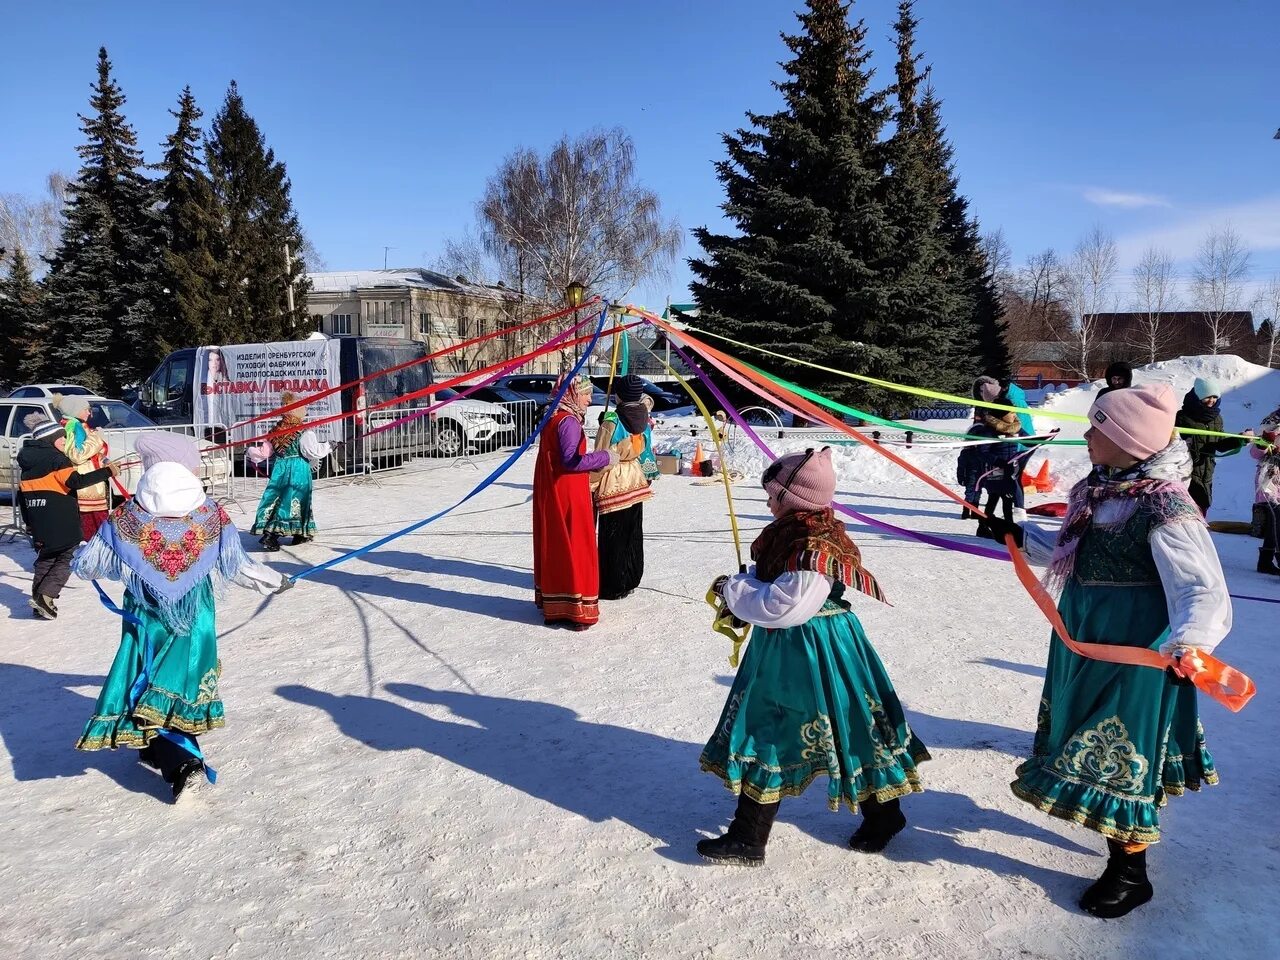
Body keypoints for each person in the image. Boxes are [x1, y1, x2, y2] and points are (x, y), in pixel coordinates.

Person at [986, 385, 1232, 918]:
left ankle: (1130, 872)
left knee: (1124, 749)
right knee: (1085, 740)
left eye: (1097, 427)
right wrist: (1019, 535)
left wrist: (1190, 644)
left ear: (1127, 441)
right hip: (1084, 639)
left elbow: (1202, 587)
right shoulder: (1097, 490)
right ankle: (1120, 854)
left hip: (1136, 648)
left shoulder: (1165, 503)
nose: (1088, 434)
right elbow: (1079, 553)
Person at [697, 448, 928, 867]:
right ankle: (881, 815)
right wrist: (748, 580)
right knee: (812, 727)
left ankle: (752, 837)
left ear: (792, 497)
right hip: (796, 646)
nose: (768, 502)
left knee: (790, 727)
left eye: (773, 494)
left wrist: (735, 590)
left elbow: (788, 605)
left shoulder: (812, 541)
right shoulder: (794, 532)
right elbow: (776, 585)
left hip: (811, 646)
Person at [73, 432, 286, 800]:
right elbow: (238, 566)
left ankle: (154, 745)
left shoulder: (126, 516)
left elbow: (91, 565)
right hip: (194, 613)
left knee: (146, 672)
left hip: (145, 611)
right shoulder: (210, 514)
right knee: (179, 679)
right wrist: (275, 582)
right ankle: (184, 763)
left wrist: (96, 561)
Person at [532, 373, 617, 630]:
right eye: (586, 394)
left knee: (558, 543)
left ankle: (558, 604)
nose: (590, 400)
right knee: (575, 543)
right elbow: (572, 461)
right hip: (568, 491)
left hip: (554, 489)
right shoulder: (568, 421)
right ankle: (576, 608)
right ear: (571, 394)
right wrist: (604, 457)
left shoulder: (554, 416)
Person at [17, 415, 119, 619]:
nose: (66, 441)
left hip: (39, 520)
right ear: (49, 439)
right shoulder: (58, 460)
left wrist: (29, 523)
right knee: (68, 555)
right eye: (62, 438)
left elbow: (22, 496)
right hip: (61, 518)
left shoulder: (28, 464)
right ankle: (46, 596)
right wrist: (106, 472)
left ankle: (39, 601)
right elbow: (76, 481)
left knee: (46, 558)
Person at [592, 375, 654, 601]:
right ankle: (631, 577)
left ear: (618, 395)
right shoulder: (644, 416)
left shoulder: (613, 420)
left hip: (615, 479)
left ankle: (612, 585)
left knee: (613, 536)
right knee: (632, 532)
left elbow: (601, 454)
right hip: (635, 478)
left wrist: (590, 483)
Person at [250, 393, 337, 551]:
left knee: (278, 499)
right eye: (303, 406)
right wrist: (329, 446)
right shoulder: (303, 432)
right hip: (298, 470)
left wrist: (250, 451)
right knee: (296, 500)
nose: (306, 409)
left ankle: (299, 533)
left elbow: (264, 453)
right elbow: (312, 451)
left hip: (280, 470)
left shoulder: (277, 430)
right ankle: (272, 535)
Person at [1173, 377, 1250, 513]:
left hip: (1207, 473)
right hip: (1185, 474)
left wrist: (1240, 439)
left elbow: (1219, 444)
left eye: (1215, 397)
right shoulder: (1183, 417)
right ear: (1198, 396)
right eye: (1207, 396)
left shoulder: (1216, 418)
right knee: (1184, 513)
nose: (1211, 400)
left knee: (1203, 507)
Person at [956, 410, 1028, 535]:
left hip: (1009, 470)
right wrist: (998, 462)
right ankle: (991, 528)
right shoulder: (989, 431)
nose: (1014, 415)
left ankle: (1001, 528)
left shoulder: (1015, 427)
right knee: (996, 498)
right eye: (1011, 413)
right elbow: (982, 452)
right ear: (1002, 415)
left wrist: (1047, 438)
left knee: (1004, 499)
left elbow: (1029, 440)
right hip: (994, 470)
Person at [54, 393, 111, 540]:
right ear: (75, 411)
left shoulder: (77, 426)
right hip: (85, 488)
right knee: (93, 531)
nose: (89, 412)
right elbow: (77, 455)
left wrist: (104, 460)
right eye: (86, 409)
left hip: (90, 485)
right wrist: (96, 438)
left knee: (97, 528)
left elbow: (89, 454)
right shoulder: (72, 427)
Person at [1251, 428, 1280, 575]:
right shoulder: (1272, 427)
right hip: (1270, 484)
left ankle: (1265, 562)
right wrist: (1264, 442)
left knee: (1273, 526)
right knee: (1277, 522)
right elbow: (1255, 453)